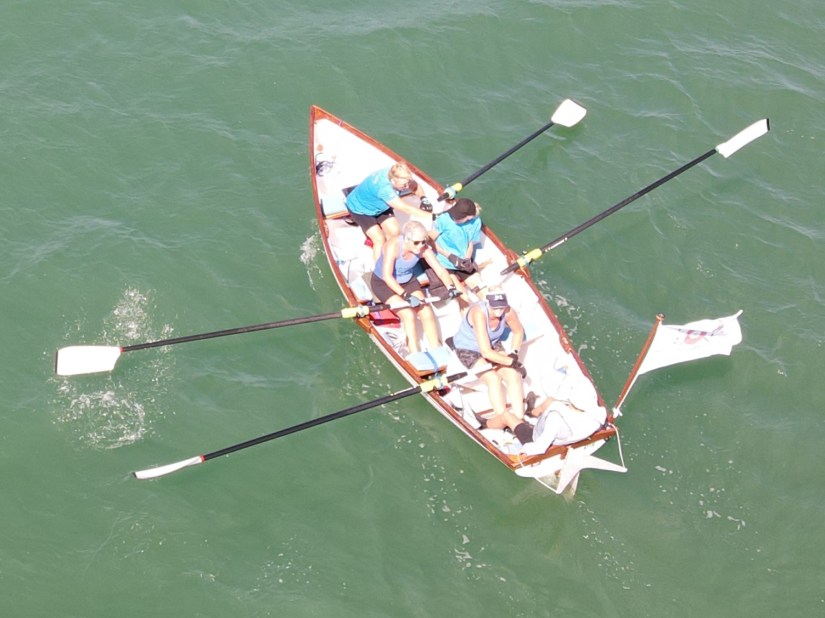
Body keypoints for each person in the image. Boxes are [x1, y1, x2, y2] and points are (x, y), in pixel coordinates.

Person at [450, 287, 533, 443]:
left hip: (493, 344)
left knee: (513, 375)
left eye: (502, 306)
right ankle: (504, 419)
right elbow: (486, 352)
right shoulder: (478, 313)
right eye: (495, 307)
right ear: (487, 303)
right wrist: (512, 362)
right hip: (468, 349)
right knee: (493, 379)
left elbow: (518, 331)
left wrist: (514, 353)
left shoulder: (508, 311)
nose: (500, 311)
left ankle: (520, 420)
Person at [370, 220, 458, 356]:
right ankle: (414, 353)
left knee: (426, 311)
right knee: (408, 315)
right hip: (383, 283)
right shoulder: (393, 246)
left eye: (424, 241)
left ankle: (437, 349)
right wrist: (406, 296)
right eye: (416, 242)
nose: (421, 245)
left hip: (408, 281)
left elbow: (440, 271)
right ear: (406, 239)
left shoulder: (424, 249)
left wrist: (450, 287)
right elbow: (387, 276)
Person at [346, 162, 434, 260]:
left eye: (407, 183)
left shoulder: (398, 173)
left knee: (395, 232)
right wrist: (432, 216)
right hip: (360, 209)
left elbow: (415, 186)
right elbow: (405, 208)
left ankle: (390, 255)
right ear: (392, 181)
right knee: (379, 239)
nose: (406, 187)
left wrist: (424, 199)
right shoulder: (384, 189)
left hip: (381, 206)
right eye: (403, 185)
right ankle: (379, 267)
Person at [427, 198, 483, 299]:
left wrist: (467, 259)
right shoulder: (444, 219)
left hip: (461, 262)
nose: (453, 217)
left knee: (482, 290)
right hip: (443, 261)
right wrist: (449, 255)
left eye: (457, 217)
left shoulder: (476, 222)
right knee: (463, 296)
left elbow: (471, 242)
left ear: (469, 217)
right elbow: (429, 240)